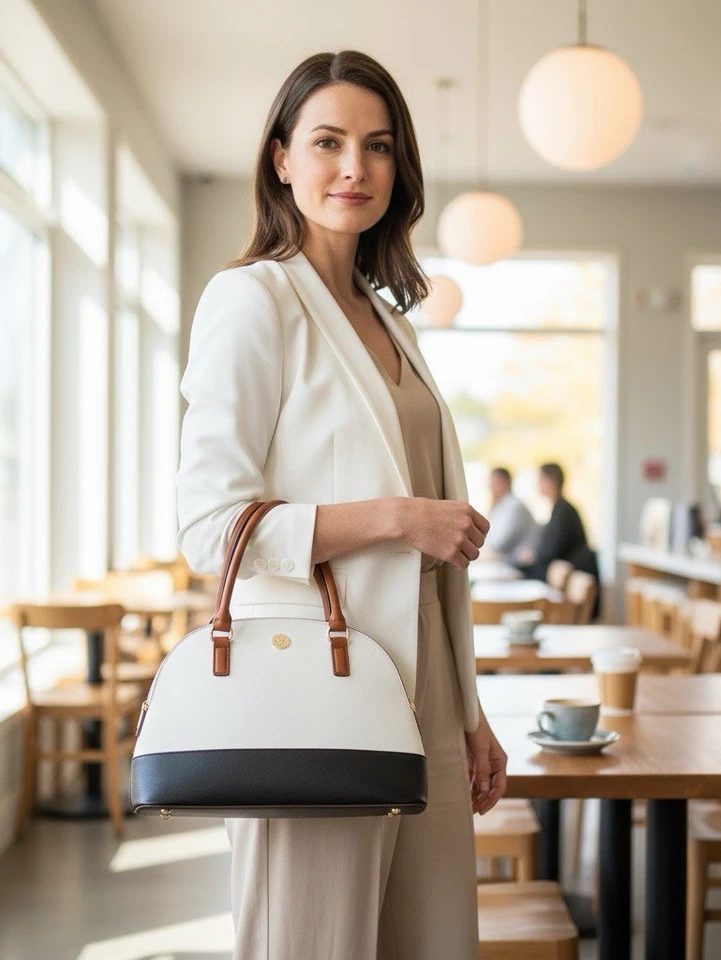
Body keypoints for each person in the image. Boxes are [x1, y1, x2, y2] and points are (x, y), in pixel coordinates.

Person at [175, 51, 507, 960]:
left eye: (379, 146)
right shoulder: (252, 301)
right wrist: (398, 517)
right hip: (316, 694)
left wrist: (468, 713)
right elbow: (211, 527)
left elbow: (435, 568)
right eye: (328, 142)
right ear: (282, 158)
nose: (354, 167)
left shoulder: (388, 315)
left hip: (427, 697)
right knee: (312, 944)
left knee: (431, 944)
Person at [519, 462, 600, 586]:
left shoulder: (564, 511)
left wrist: (533, 556)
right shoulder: (559, 509)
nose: (537, 485)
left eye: (540, 480)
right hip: (560, 575)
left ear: (551, 482)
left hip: (566, 578)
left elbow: (552, 550)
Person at [484, 466, 540, 564]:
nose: (490, 487)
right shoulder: (501, 506)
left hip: (523, 567)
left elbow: (499, 543)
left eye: (494, 482)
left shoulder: (515, 506)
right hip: (508, 562)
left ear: (506, 483)